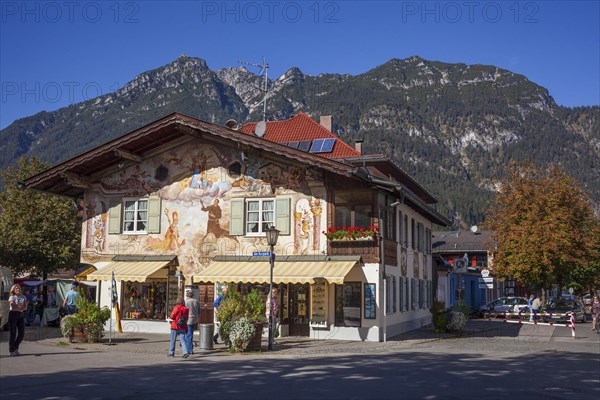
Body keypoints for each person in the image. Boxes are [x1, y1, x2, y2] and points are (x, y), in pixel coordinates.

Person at [8, 284, 28, 356]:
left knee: (21, 333)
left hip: (21, 315)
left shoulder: (23, 297)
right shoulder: (12, 297)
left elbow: (25, 307)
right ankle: (11, 350)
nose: (18, 289)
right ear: (13, 290)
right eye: (16, 289)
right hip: (13, 315)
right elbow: (13, 306)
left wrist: (20, 308)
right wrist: (21, 307)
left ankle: (15, 347)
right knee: (13, 333)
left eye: (19, 288)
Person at [184, 289, 200, 354]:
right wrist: (197, 318)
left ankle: (189, 349)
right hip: (195, 319)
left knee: (188, 335)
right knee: (190, 334)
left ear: (187, 295)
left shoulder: (186, 302)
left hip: (188, 320)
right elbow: (199, 311)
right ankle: (189, 347)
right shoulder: (196, 301)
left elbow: (184, 311)